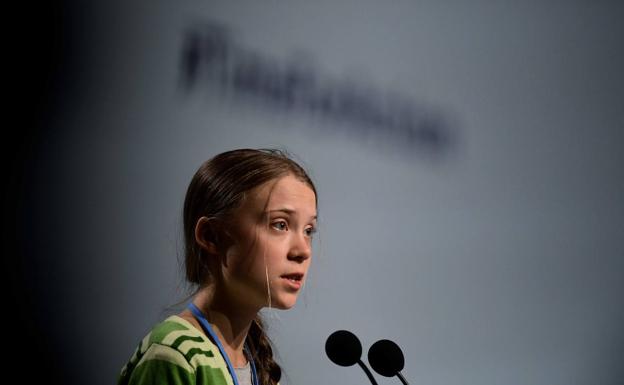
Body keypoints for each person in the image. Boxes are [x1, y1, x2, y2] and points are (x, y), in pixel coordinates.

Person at [118, 148, 318, 385]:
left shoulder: (253, 364)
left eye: (308, 231)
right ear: (211, 236)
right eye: (280, 225)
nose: (303, 251)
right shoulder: (175, 355)